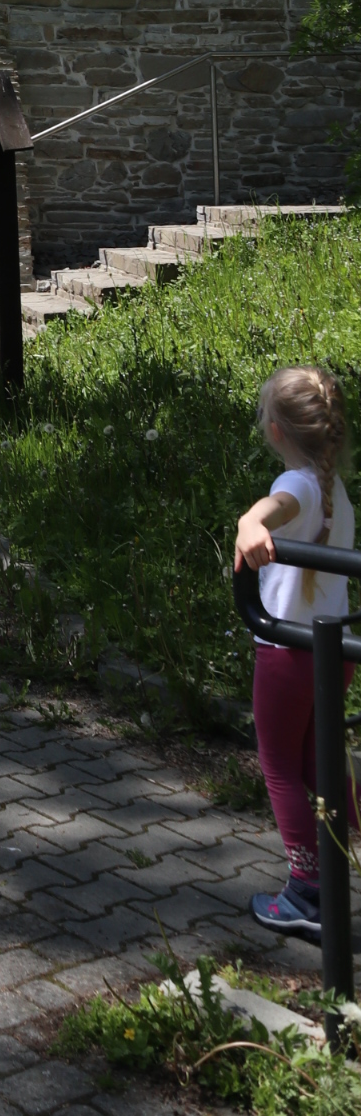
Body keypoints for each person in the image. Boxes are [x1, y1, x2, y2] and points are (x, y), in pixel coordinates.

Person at [233, 365, 358, 939]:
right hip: (332, 651)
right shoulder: (333, 490)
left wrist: (249, 521)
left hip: (287, 651)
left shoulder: (300, 486)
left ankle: (307, 890)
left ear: (277, 429)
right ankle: (331, 869)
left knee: (279, 764)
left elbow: (275, 507)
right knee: (318, 761)